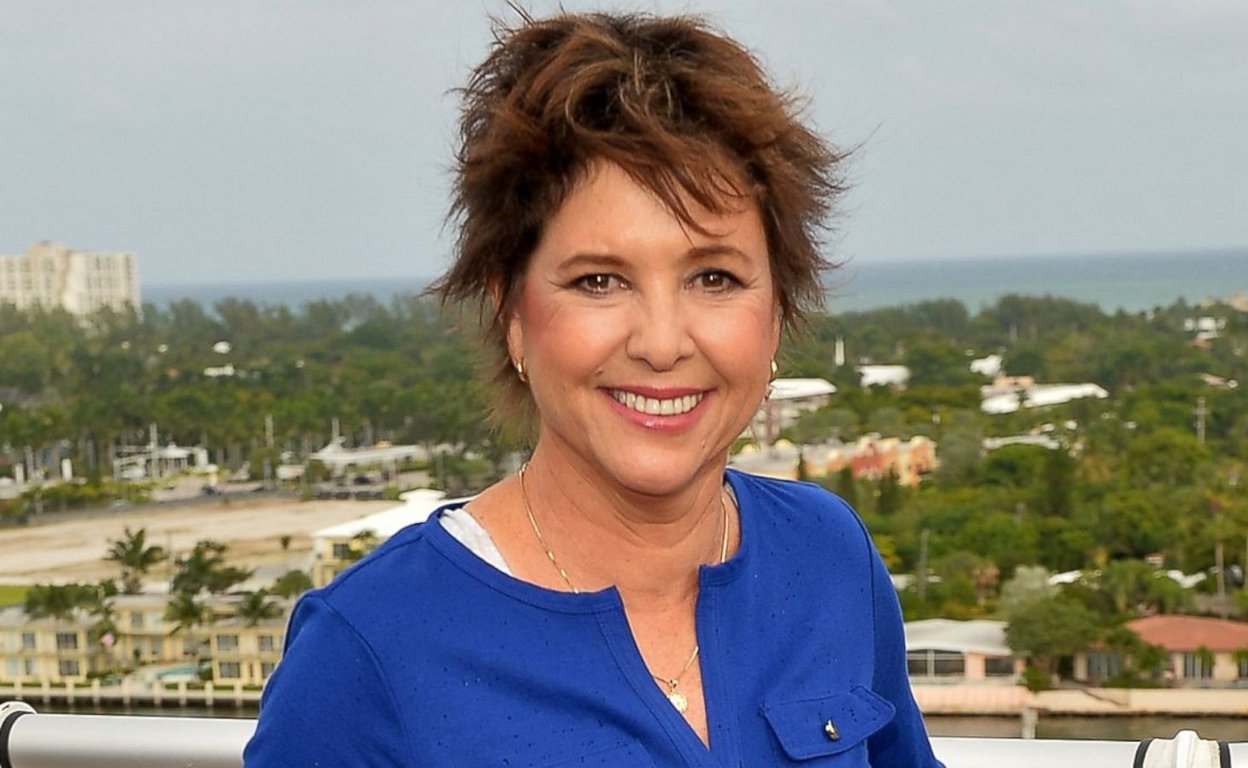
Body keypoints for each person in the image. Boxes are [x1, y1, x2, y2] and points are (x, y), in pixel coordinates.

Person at [244, 10, 942, 767]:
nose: (663, 342)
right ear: (512, 311)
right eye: (599, 281)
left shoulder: (826, 556)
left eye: (714, 277)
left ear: (776, 312)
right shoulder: (372, 647)